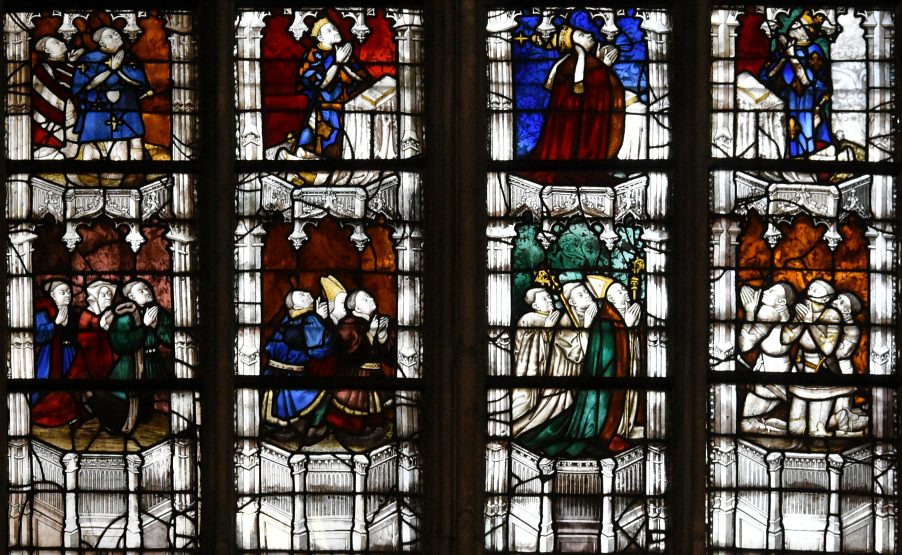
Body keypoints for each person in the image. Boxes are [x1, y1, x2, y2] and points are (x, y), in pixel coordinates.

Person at [517, 277, 637, 457]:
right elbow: (580, 355)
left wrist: (623, 327)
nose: (587, 296)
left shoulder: (599, 318)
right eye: (580, 295)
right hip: (563, 392)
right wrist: (587, 327)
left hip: (587, 387)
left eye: (586, 292)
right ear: (571, 302)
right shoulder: (565, 322)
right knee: (556, 427)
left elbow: (606, 352)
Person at [531, 22, 626, 160]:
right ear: (575, 45)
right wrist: (604, 67)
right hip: (574, 138)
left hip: (578, 132)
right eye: (581, 35)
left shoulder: (580, 63)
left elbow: (591, 91)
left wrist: (600, 65)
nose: (589, 34)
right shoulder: (571, 65)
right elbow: (585, 97)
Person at [262, 289, 336, 443]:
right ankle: (312, 428)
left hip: (271, 375)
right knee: (326, 390)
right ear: (296, 306)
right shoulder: (310, 319)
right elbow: (318, 352)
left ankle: (289, 425)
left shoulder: (287, 319)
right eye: (302, 295)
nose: (308, 294)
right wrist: (320, 320)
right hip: (292, 380)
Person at [759, 9, 835, 158]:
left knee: (804, 139)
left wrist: (792, 55)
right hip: (783, 101)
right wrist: (783, 56)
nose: (792, 26)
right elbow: (767, 76)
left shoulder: (814, 51)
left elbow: (808, 82)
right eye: (794, 23)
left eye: (797, 25)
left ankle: (803, 161)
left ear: (805, 33)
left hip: (806, 104)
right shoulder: (783, 48)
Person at [101, 280, 174, 434]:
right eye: (141, 291)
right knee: (123, 402)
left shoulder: (158, 313)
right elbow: (120, 343)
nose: (147, 292)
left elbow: (172, 339)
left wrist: (157, 327)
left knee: (147, 411)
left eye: (147, 288)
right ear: (131, 297)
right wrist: (144, 326)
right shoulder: (125, 316)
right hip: (130, 365)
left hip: (153, 363)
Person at [327, 289, 396, 451]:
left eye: (370, 296)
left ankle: (373, 436)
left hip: (376, 377)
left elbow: (390, 358)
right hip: (354, 378)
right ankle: (353, 436)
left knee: (376, 415)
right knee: (353, 415)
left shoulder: (383, 322)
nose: (371, 299)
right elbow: (347, 354)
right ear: (356, 308)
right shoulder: (348, 325)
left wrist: (383, 339)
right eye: (365, 299)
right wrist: (371, 335)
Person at [291, 18, 368, 159]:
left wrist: (345, 64)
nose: (335, 31)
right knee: (326, 137)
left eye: (334, 28)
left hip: (347, 104)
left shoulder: (342, 52)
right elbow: (319, 84)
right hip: (321, 106)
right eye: (329, 30)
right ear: (320, 38)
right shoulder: (313, 54)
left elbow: (363, 79)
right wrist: (337, 62)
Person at [70, 27, 150, 161]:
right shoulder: (89, 58)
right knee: (93, 144)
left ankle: (133, 167)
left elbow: (139, 83)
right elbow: (84, 87)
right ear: (101, 43)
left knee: (130, 141)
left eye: (116, 33)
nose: (116, 36)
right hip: (96, 107)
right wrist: (111, 69)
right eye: (110, 36)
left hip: (127, 104)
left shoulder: (129, 57)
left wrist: (118, 69)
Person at [781, 279, 844, 435]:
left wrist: (810, 323)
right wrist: (800, 321)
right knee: (795, 430)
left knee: (816, 432)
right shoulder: (803, 310)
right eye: (810, 287)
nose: (811, 289)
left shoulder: (832, 315)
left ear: (825, 298)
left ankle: (843, 421)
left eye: (816, 289)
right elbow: (785, 339)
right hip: (801, 372)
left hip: (823, 374)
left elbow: (828, 349)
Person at [737, 282, 795, 433]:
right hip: (776, 372)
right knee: (750, 424)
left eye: (772, 291)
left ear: (781, 302)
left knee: (746, 426)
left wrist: (750, 313)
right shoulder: (779, 314)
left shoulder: (769, 312)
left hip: (770, 378)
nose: (765, 291)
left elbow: (745, 346)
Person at [511, 288, 561, 435]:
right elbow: (522, 345)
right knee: (525, 399)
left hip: (552, 368)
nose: (550, 300)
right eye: (545, 298)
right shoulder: (529, 318)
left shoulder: (559, 317)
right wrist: (546, 330)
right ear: (535, 305)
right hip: (530, 368)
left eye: (549, 297)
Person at [68, 280, 117, 429]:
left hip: (105, 357)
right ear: (95, 297)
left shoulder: (110, 314)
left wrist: (108, 329)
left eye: (109, 294)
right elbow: (81, 339)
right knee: (83, 387)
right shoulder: (87, 314)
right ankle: (84, 414)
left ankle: (104, 417)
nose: (108, 297)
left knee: (103, 389)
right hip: (87, 358)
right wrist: (101, 328)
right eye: (104, 294)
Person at [31, 280, 80, 427]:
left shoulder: (73, 313)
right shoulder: (43, 311)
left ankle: (71, 415)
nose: (67, 295)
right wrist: (56, 323)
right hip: (49, 356)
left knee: (72, 384)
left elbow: (78, 335)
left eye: (69, 292)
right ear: (52, 295)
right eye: (62, 292)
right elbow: (40, 336)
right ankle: (40, 413)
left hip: (70, 353)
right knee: (44, 385)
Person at [32, 36, 82, 159]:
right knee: (49, 146)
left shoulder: (65, 64)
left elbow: (70, 86)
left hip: (67, 110)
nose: (62, 42)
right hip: (49, 113)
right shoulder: (43, 68)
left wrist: (70, 63)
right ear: (47, 50)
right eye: (56, 42)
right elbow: (53, 89)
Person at [826, 292, 867, 434]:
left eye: (842, 302)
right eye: (838, 298)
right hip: (829, 370)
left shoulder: (852, 329)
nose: (836, 301)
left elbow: (840, 353)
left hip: (843, 372)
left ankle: (844, 431)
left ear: (847, 310)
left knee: (841, 411)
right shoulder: (830, 319)